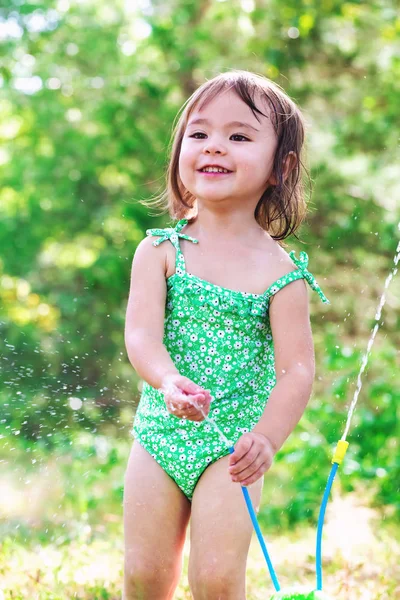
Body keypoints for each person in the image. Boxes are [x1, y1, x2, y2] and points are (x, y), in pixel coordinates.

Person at [123, 69, 329, 600]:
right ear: (179, 152)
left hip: (232, 446)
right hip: (159, 436)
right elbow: (142, 337)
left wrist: (267, 437)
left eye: (239, 136)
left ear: (279, 168)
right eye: (200, 133)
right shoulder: (159, 251)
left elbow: (298, 370)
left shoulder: (283, 274)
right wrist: (168, 382)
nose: (215, 146)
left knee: (215, 581)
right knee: (145, 577)